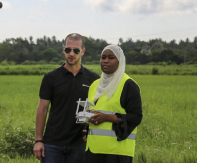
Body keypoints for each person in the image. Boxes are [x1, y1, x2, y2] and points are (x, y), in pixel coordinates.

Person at [33, 33, 100, 162]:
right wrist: (38, 140)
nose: (71, 54)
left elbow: (97, 110)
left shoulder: (93, 79)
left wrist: (90, 130)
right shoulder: (51, 78)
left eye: (76, 50)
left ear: (83, 51)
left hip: (80, 144)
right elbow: (42, 109)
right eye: (68, 50)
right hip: (52, 144)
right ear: (64, 49)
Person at [84, 45, 143, 163]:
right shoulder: (95, 85)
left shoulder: (128, 85)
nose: (105, 61)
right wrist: (85, 121)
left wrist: (106, 118)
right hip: (93, 150)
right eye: (103, 57)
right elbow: (92, 110)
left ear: (119, 62)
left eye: (111, 57)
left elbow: (136, 117)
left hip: (117, 153)